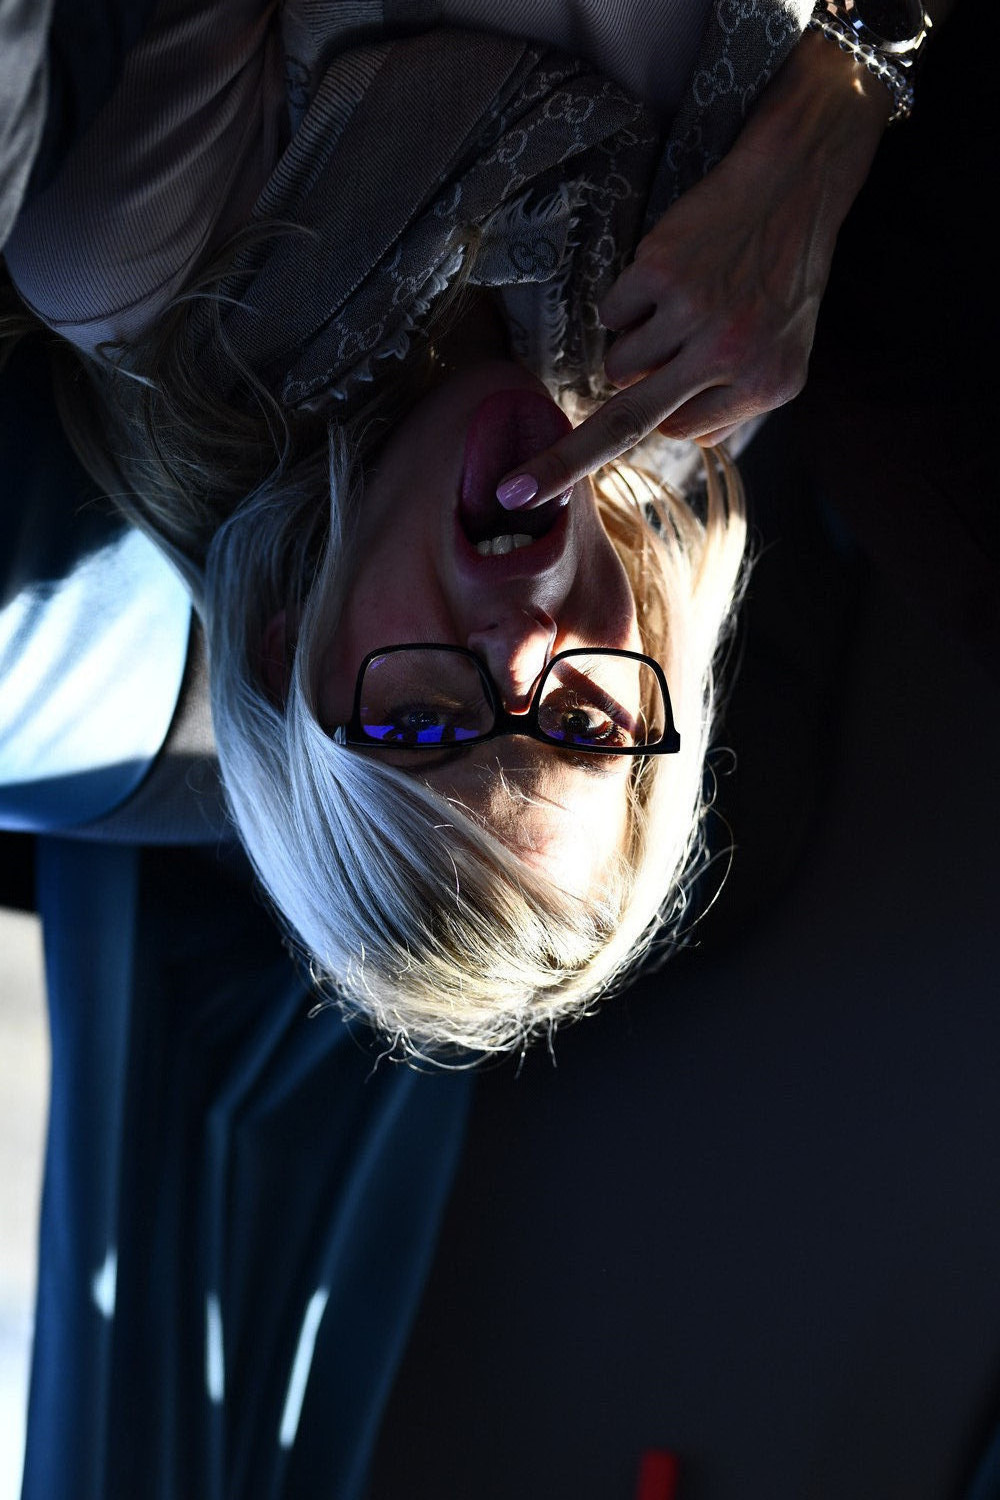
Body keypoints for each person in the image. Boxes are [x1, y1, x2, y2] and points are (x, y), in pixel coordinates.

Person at [1, 0, 914, 1059]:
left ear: (289, 658)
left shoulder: (142, 259)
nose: (524, 645)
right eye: (584, 727)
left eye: (426, 722)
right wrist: (833, 115)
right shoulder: (708, 381)